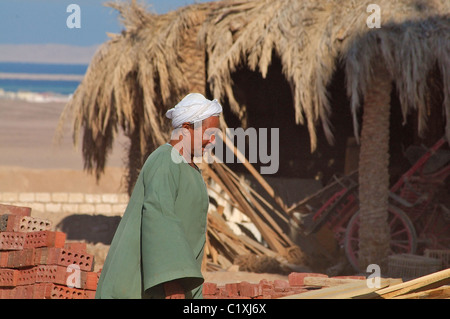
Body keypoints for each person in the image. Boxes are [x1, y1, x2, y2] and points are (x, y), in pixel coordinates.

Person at [95, 93, 222, 299]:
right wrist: (173, 285)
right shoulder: (166, 160)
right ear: (188, 128)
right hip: (149, 288)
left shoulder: (190, 168)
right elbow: (160, 219)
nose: (213, 140)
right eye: (209, 132)